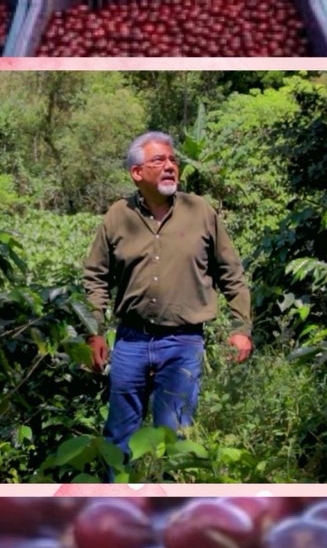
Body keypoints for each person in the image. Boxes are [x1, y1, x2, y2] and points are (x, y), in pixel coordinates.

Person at [84, 132, 253, 468]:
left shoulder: (200, 211)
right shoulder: (118, 216)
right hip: (131, 341)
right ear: (136, 172)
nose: (170, 166)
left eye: (173, 160)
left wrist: (241, 326)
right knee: (119, 435)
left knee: (174, 437)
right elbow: (95, 276)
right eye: (158, 161)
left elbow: (231, 272)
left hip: (183, 342)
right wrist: (95, 331)